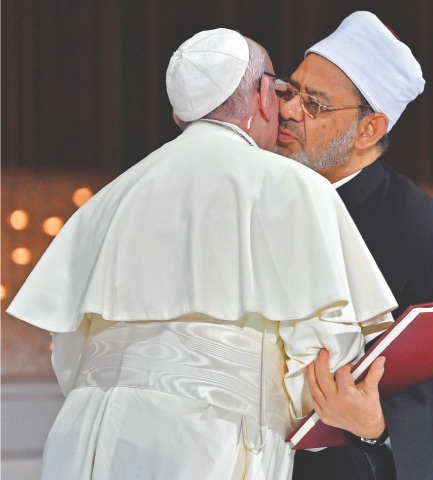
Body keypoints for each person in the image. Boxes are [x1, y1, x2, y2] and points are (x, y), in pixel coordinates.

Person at [7, 28, 398, 480]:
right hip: (206, 442)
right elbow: (326, 360)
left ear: (179, 112)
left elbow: (71, 352)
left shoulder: (110, 198)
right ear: (262, 96)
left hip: (85, 438)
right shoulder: (293, 186)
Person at [274, 11, 433, 480]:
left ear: (369, 130)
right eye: (289, 90)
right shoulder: (259, 197)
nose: (287, 110)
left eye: (315, 105)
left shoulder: (428, 236)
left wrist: (376, 422)